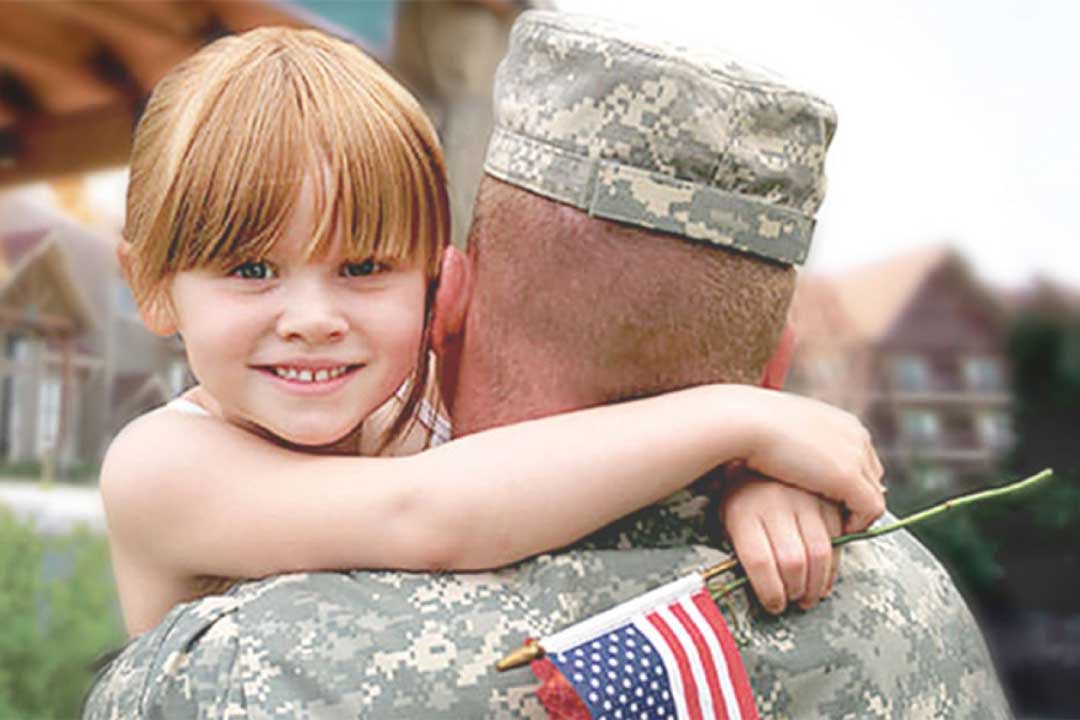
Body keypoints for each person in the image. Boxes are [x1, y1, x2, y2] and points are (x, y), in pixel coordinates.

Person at [84, 12, 1011, 719]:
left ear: (437, 289)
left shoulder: (403, 412)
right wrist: (738, 421)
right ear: (151, 287)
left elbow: (557, 470)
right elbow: (431, 514)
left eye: (363, 268)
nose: (315, 320)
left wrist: (743, 489)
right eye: (250, 270)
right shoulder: (163, 469)